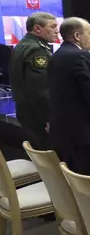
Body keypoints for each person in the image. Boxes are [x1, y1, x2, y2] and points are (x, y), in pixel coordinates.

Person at [48, 17, 90, 175]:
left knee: (73, 178)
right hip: (83, 134)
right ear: (77, 36)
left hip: (62, 131)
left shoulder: (55, 56)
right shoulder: (80, 57)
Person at [10, 12, 59, 149]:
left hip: (26, 111)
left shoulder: (23, 44)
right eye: (53, 26)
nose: (57, 30)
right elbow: (41, 89)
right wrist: (49, 118)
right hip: (38, 116)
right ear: (37, 28)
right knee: (50, 155)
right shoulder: (36, 49)